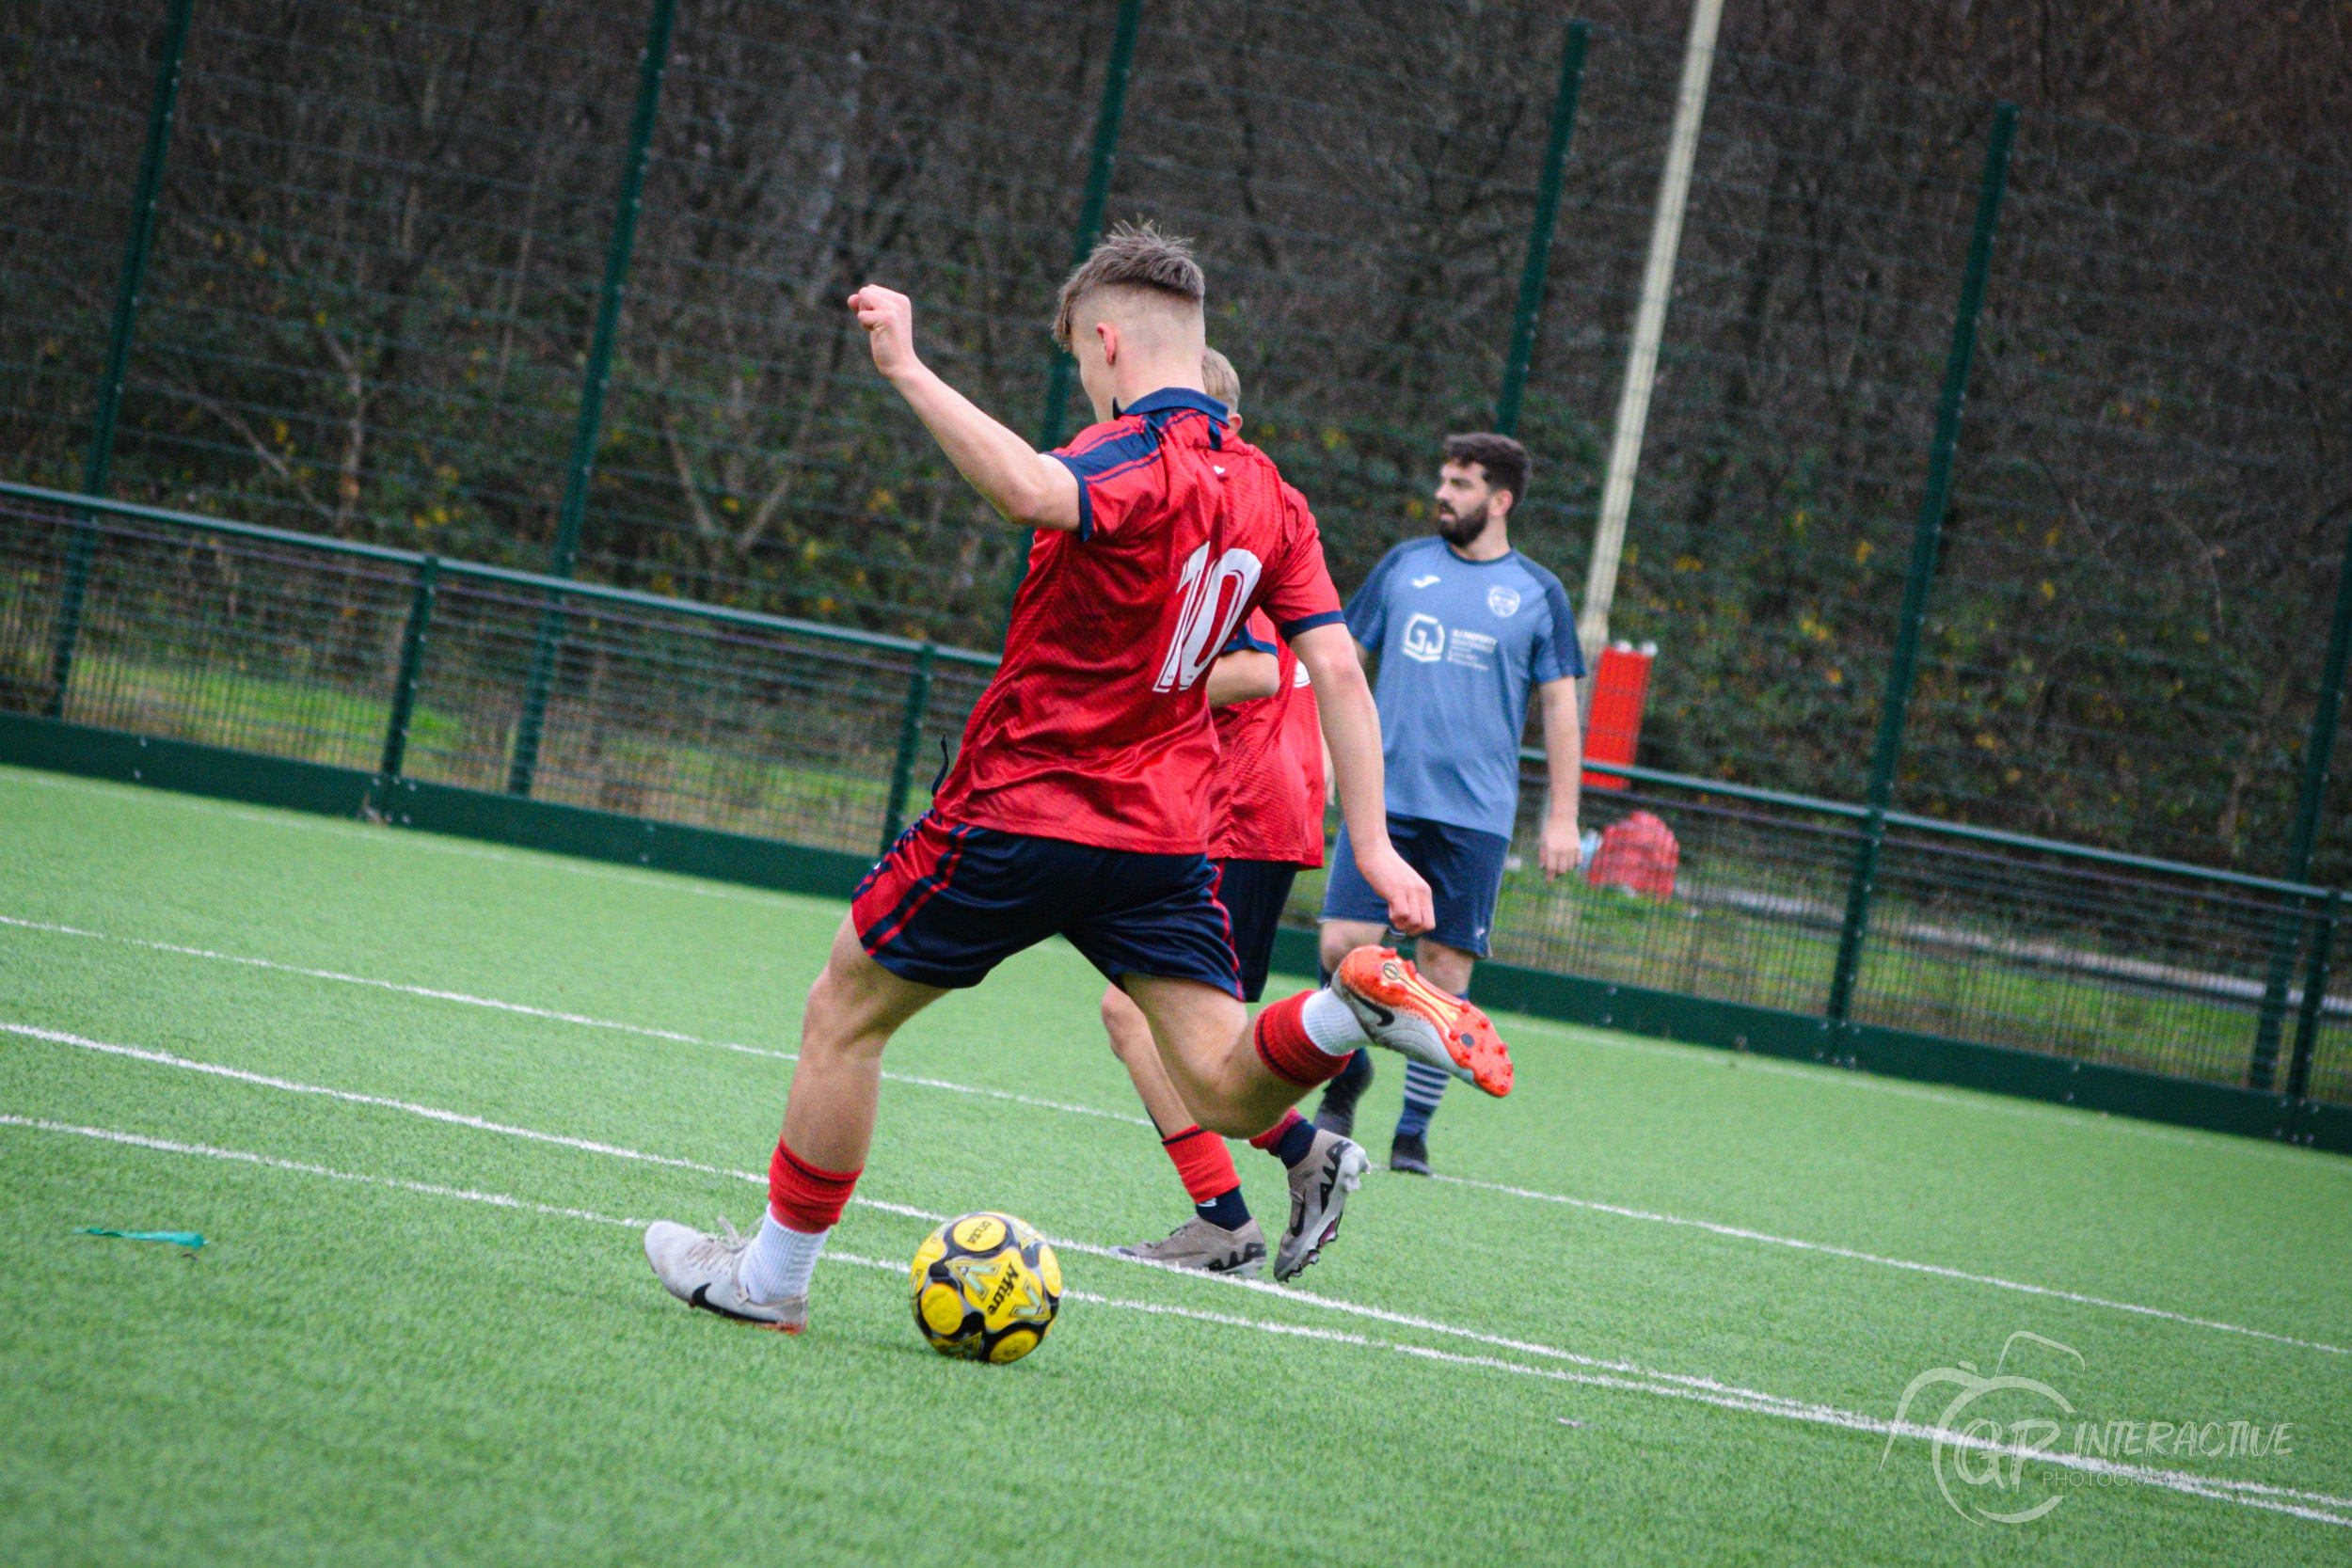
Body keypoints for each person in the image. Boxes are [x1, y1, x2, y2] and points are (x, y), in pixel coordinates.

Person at [642, 226, 1516, 1333]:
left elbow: (1026, 488)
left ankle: (770, 1279)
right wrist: (1377, 846)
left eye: (1082, 362)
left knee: (845, 1013)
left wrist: (907, 365)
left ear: (1108, 342)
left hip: (1019, 808)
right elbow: (1335, 664)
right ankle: (1343, 1015)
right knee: (1218, 1077)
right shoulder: (1271, 494)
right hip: (1162, 837)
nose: (1087, 384)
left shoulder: (1126, 456)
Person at [1099, 349, 1349, 1282]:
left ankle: (1295, 1147)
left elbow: (1256, 664)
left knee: (1154, 1019)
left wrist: (1136, 676)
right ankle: (1248, 1197)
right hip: (1234, 799)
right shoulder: (1244, 495)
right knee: (1151, 1017)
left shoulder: (1216, 499)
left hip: (1243, 802)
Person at [1313, 433, 1583, 1176]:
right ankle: (1346, 1076)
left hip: (1476, 816)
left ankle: (1412, 1133)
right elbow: (1341, 658)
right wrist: (1324, 758)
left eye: (1462, 483)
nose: (1445, 493)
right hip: (1385, 800)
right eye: (1443, 478)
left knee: (1443, 966)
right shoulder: (1404, 566)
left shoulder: (1539, 594)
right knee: (1343, 946)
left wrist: (1562, 816)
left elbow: (1561, 708)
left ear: (1500, 501)